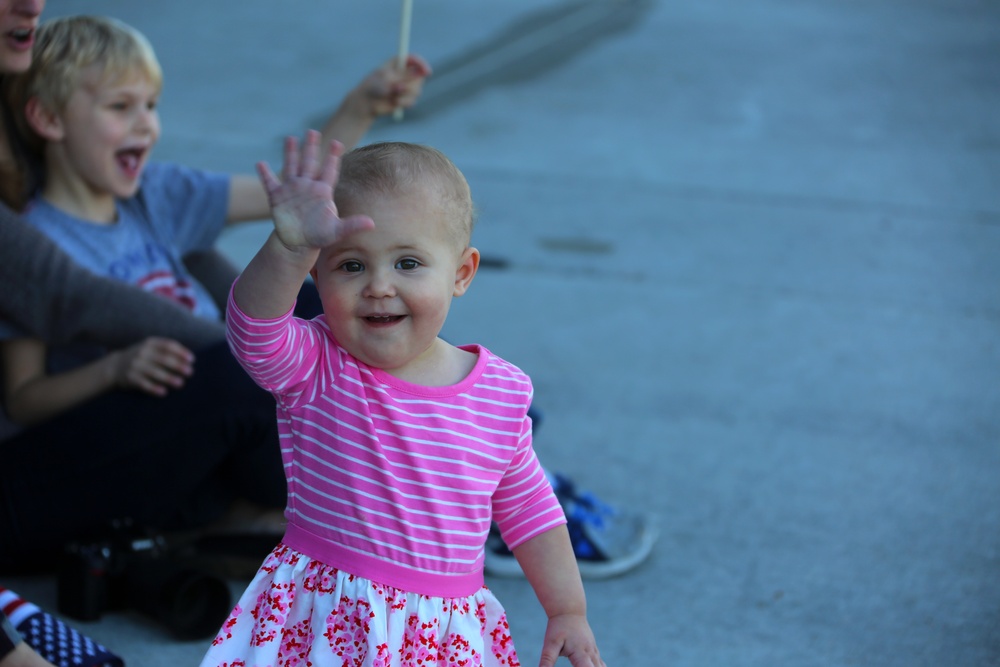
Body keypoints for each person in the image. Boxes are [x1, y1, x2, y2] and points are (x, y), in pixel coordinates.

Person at [0, 5, 431, 571]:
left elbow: (289, 196)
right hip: (136, 436)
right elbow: (22, 399)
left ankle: (428, 442)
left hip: (224, 413)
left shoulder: (153, 194)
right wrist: (112, 369)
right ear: (48, 119)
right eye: (119, 107)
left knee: (328, 301)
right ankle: (408, 480)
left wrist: (360, 108)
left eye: (149, 106)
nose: (145, 125)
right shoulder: (30, 241)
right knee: (259, 363)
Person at [199, 133, 605, 667]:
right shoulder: (320, 365)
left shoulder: (500, 394)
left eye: (408, 263)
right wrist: (291, 247)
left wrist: (567, 609)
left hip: (440, 635)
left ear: (460, 273)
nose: (379, 286)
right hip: (324, 619)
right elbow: (253, 330)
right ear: (317, 276)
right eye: (351, 266)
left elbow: (529, 508)